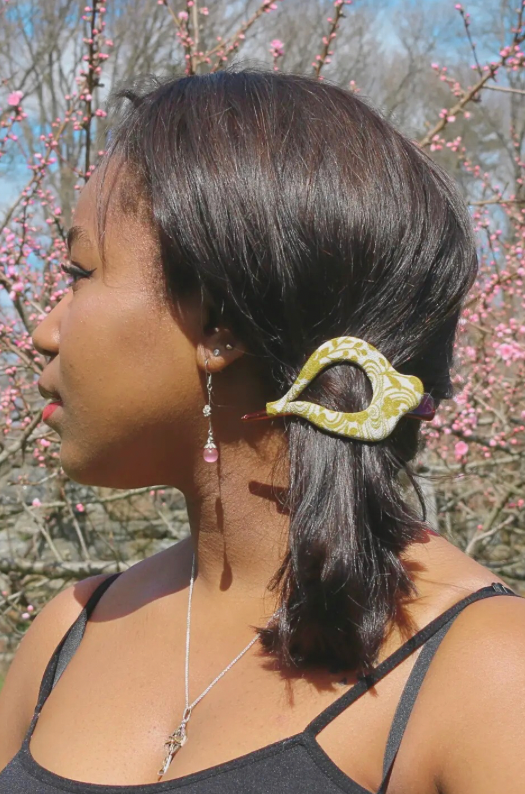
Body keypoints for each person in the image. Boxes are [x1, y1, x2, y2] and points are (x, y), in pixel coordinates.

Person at [0, 66, 524, 794]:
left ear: (221, 323)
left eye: (78, 271)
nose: (43, 332)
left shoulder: (488, 674)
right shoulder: (68, 632)